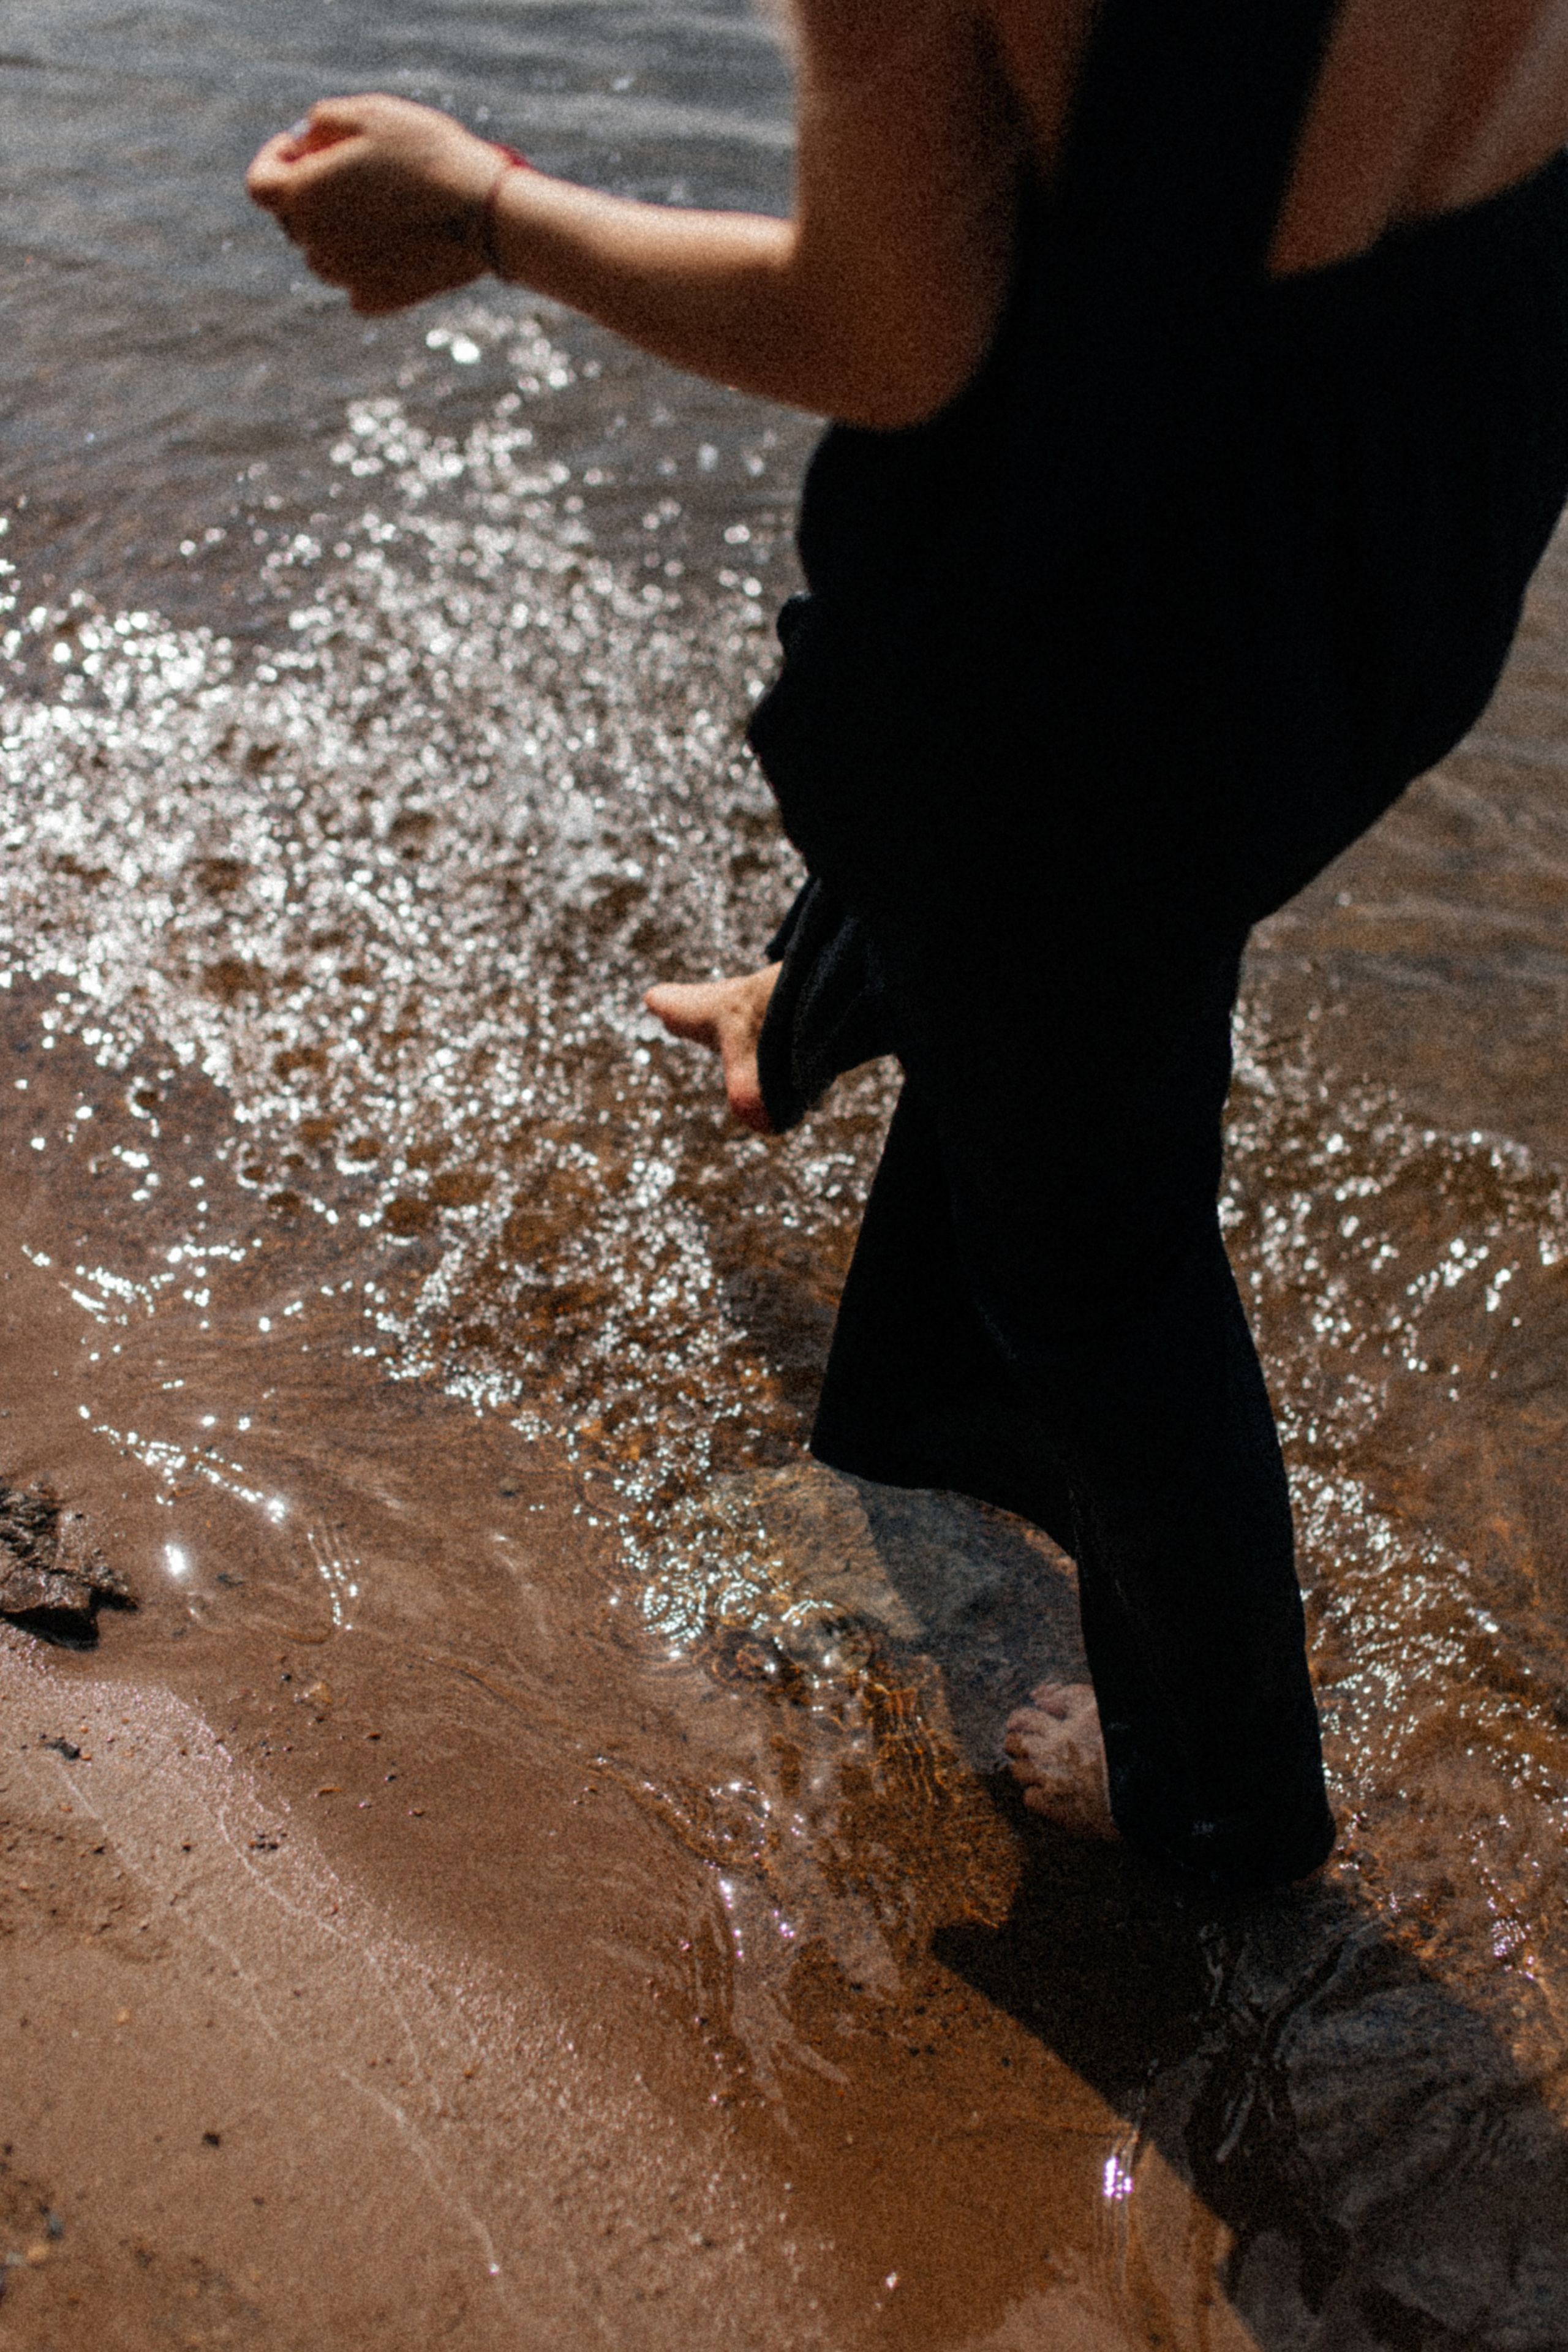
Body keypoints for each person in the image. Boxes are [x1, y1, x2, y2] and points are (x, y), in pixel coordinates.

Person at [250, 1, 1568, 1891]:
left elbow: (885, 334)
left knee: (1097, 1250)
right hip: (1456, 417)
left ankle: (1224, 1796)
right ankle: (816, 1006)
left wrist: (485, 209)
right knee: (1125, 874)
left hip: (1136, 561)